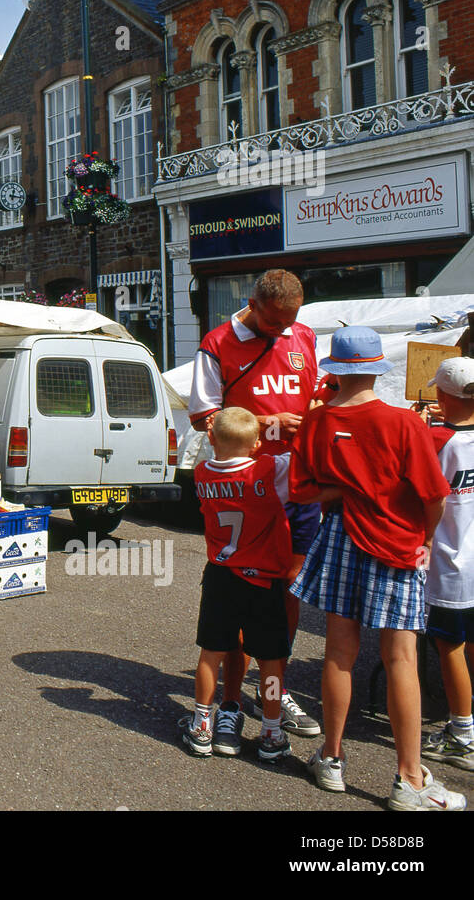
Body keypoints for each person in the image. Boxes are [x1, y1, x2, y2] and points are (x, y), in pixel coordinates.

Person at [289, 326, 464, 810]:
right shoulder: (404, 423)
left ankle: (331, 757)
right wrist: (425, 538)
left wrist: (343, 492)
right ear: (375, 367)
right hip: (396, 542)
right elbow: (433, 495)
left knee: (338, 653)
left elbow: (301, 492)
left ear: (335, 369)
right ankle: (409, 780)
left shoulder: (317, 422)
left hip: (340, 537)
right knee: (401, 659)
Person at [189, 268, 322, 739]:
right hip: (246, 487)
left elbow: (316, 395)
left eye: (289, 320)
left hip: (300, 486)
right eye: (272, 321)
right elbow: (204, 417)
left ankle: (275, 690)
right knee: (239, 594)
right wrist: (268, 425)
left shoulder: (302, 334)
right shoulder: (219, 341)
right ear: (253, 302)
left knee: (286, 591)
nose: (281, 329)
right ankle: (228, 699)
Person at [181, 407, 341, 761]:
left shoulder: (202, 472)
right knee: (270, 660)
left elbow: (222, 453)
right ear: (256, 445)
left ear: (210, 439)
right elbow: (300, 461)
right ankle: (270, 730)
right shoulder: (268, 470)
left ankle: (203, 723)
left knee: (210, 654)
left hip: (222, 575)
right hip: (263, 579)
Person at [420, 357, 474, 772]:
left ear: (440, 394)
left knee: (450, 647)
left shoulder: (438, 441)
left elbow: (423, 496)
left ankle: (461, 734)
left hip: (450, 563)